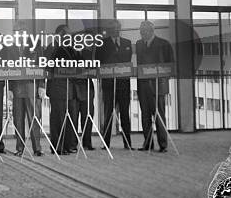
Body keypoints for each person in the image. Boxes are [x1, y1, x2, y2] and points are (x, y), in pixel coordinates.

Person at [136, 20, 174, 152]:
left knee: (159, 115)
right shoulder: (139, 44)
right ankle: (147, 144)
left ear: (151, 31)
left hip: (158, 86)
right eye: (140, 31)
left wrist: (162, 77)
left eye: (143, 31)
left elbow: (171, 65)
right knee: (145, 116)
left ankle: (163, 145)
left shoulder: (164, 44)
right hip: (143, 86)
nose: (141, 34)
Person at [97, 19, 133, 150]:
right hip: (108, 84)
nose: (115, 30)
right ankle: (105, 143)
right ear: (109, 30)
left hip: (123, 84)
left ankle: (127, 143)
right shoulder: (102, 44)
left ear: (120, 28)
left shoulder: (127, 43)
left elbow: (127, 62)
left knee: (125, 114)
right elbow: (98, 63)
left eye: (117, 28)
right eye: (112, 28)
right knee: (108, 114)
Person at [6, 42, 45, 157]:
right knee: (18, 119)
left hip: (32, 87)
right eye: (17, 28)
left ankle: (37, 148)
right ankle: (19, 148)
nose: (20, 30)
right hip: (17, 87)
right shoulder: (11, 47)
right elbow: (9, 67)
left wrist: (42, 85)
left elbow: (41, 65)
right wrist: (9, 88)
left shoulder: (36, 45)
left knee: (34, 118)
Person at [45, 24, 78, 155]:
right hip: (57, 88)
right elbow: (47, 66)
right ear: (60, 34)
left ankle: (67, 145)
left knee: (68, 118)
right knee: (57, 118)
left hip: (69, 88)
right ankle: (57, 146)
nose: (69, 37)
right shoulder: (52, 47)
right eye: (67, 35)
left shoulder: (70, 49)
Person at [74, 32, 95, 151]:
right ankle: (74, 143)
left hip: (87, 87)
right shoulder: (70, 53)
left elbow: (93, 69)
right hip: (74, 88)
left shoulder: (90, 53)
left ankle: (87, 142)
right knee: (74, 117)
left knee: (88, 116)